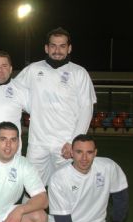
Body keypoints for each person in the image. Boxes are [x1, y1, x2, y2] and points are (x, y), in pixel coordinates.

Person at [16, 27, 96, 186]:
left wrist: (74, 143)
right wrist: (31, 106)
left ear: (69, 48)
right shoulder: (33, 69)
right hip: (38, 144)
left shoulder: (79, 73)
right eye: (53, 45)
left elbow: (87, 110)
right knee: (31, 188)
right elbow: (13, 93)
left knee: (67, 188)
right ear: (46, 48)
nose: (57, 50)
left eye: (62, 46)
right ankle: (32, 212)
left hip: (65, 144)